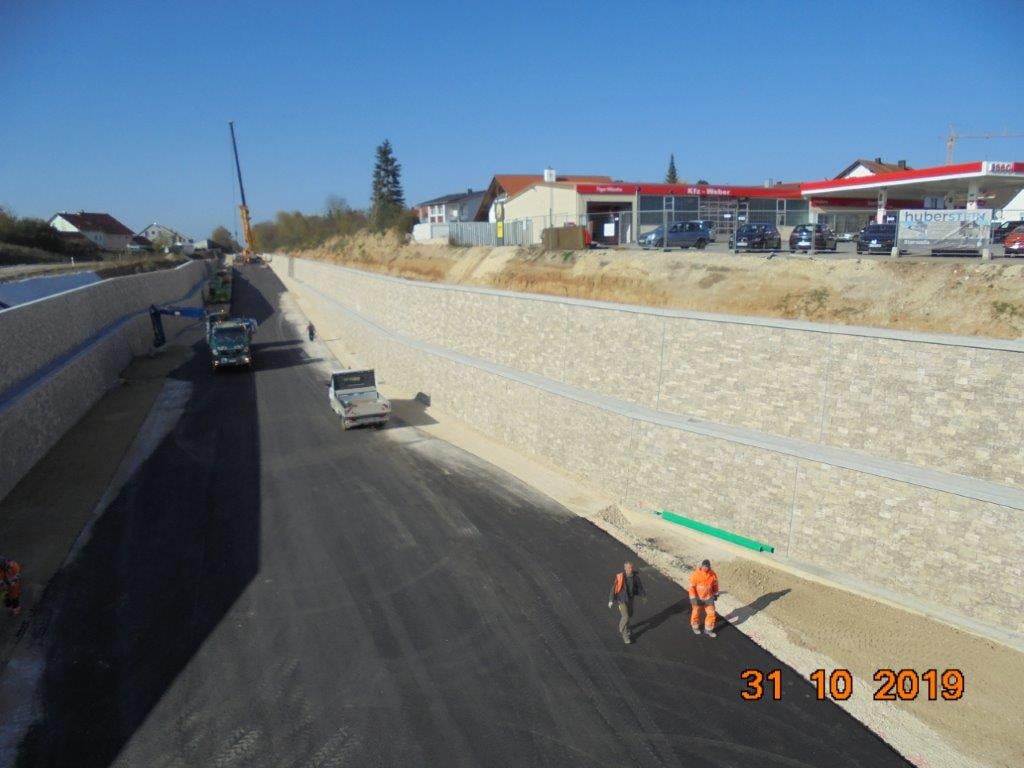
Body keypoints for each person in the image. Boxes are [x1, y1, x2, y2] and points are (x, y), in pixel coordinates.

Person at [608, 561, 646, 645]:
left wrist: (643, 596)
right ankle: (624, 634)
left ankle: (627, 628)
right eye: (628, 567)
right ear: (625, 568)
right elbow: (613, 589)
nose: (630, 569)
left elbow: (640, 587)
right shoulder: (620, 577)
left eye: (631, 567)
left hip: (630, 599)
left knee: (630, 614)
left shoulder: (635, 577)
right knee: (625, 617)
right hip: (621, 600)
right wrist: (611, 600)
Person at [688, 559, 719, 638]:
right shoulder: (696, 575)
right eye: (704, 566)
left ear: (709, 567)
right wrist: (693, 598)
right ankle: (695, 627)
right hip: (698, 598)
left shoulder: (712, 575)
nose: (705, 568)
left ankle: (708, 629)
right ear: (701, 566)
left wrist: (715, 593)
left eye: (707, 567)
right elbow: (691, 587)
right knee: (696, 612)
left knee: (711, 613)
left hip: (708, 598)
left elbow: (715, 585)